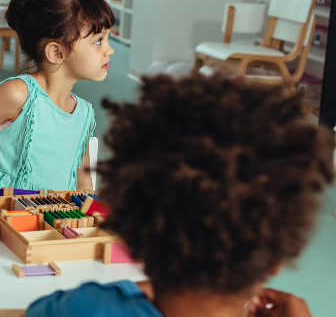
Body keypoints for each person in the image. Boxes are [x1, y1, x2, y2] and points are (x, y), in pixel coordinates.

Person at [25, 74, 332, 317]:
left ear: (133, 235)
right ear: (276, 260)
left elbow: (39, 310)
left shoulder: (88, 308)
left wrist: (128, 291)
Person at [0, 0, 114, 196]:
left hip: (51, 225)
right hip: (4, 221)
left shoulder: (83, 114)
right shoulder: (19, 94)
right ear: (56, 52)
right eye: (99, 40)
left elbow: (83, 185)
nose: (109, 50)